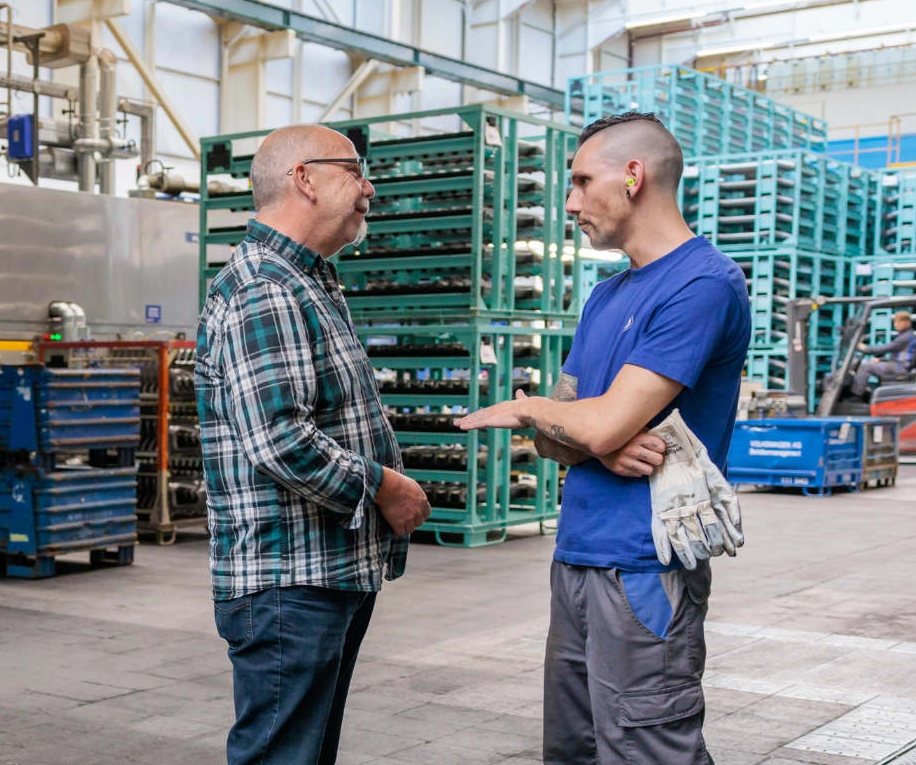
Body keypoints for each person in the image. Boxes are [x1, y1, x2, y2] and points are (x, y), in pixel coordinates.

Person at [456, 111, 750, 765]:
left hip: (645, 568)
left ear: (634, 176)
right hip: (578, 558)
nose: (570, 201)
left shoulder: (702, 284)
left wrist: (534, 409)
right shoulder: (604, 295)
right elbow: (567, 432)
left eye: (583, 180)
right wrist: (592, 437)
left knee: (648, 750)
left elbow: (582, 419)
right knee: (574, 750)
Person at [196, 123, 432, 765]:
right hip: (287, 583)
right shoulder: (267, 287)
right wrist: (386, 486)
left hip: (320, 573)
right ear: (304, 178)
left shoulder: (307, 280)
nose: (369, 188)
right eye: (355, 172)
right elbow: (279, 439)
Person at [848, 310, 916, 398]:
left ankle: (855, 395)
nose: (896, 324)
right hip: (899, 365)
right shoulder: (905, 335)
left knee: (866, 367)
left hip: (900, 367)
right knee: (871, 363)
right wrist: (881, 359)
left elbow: (886, 348)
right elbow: (897, 356)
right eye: (895, 321)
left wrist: (865, 348)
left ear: (907, 322)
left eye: (900, 321)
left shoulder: (905, 337)